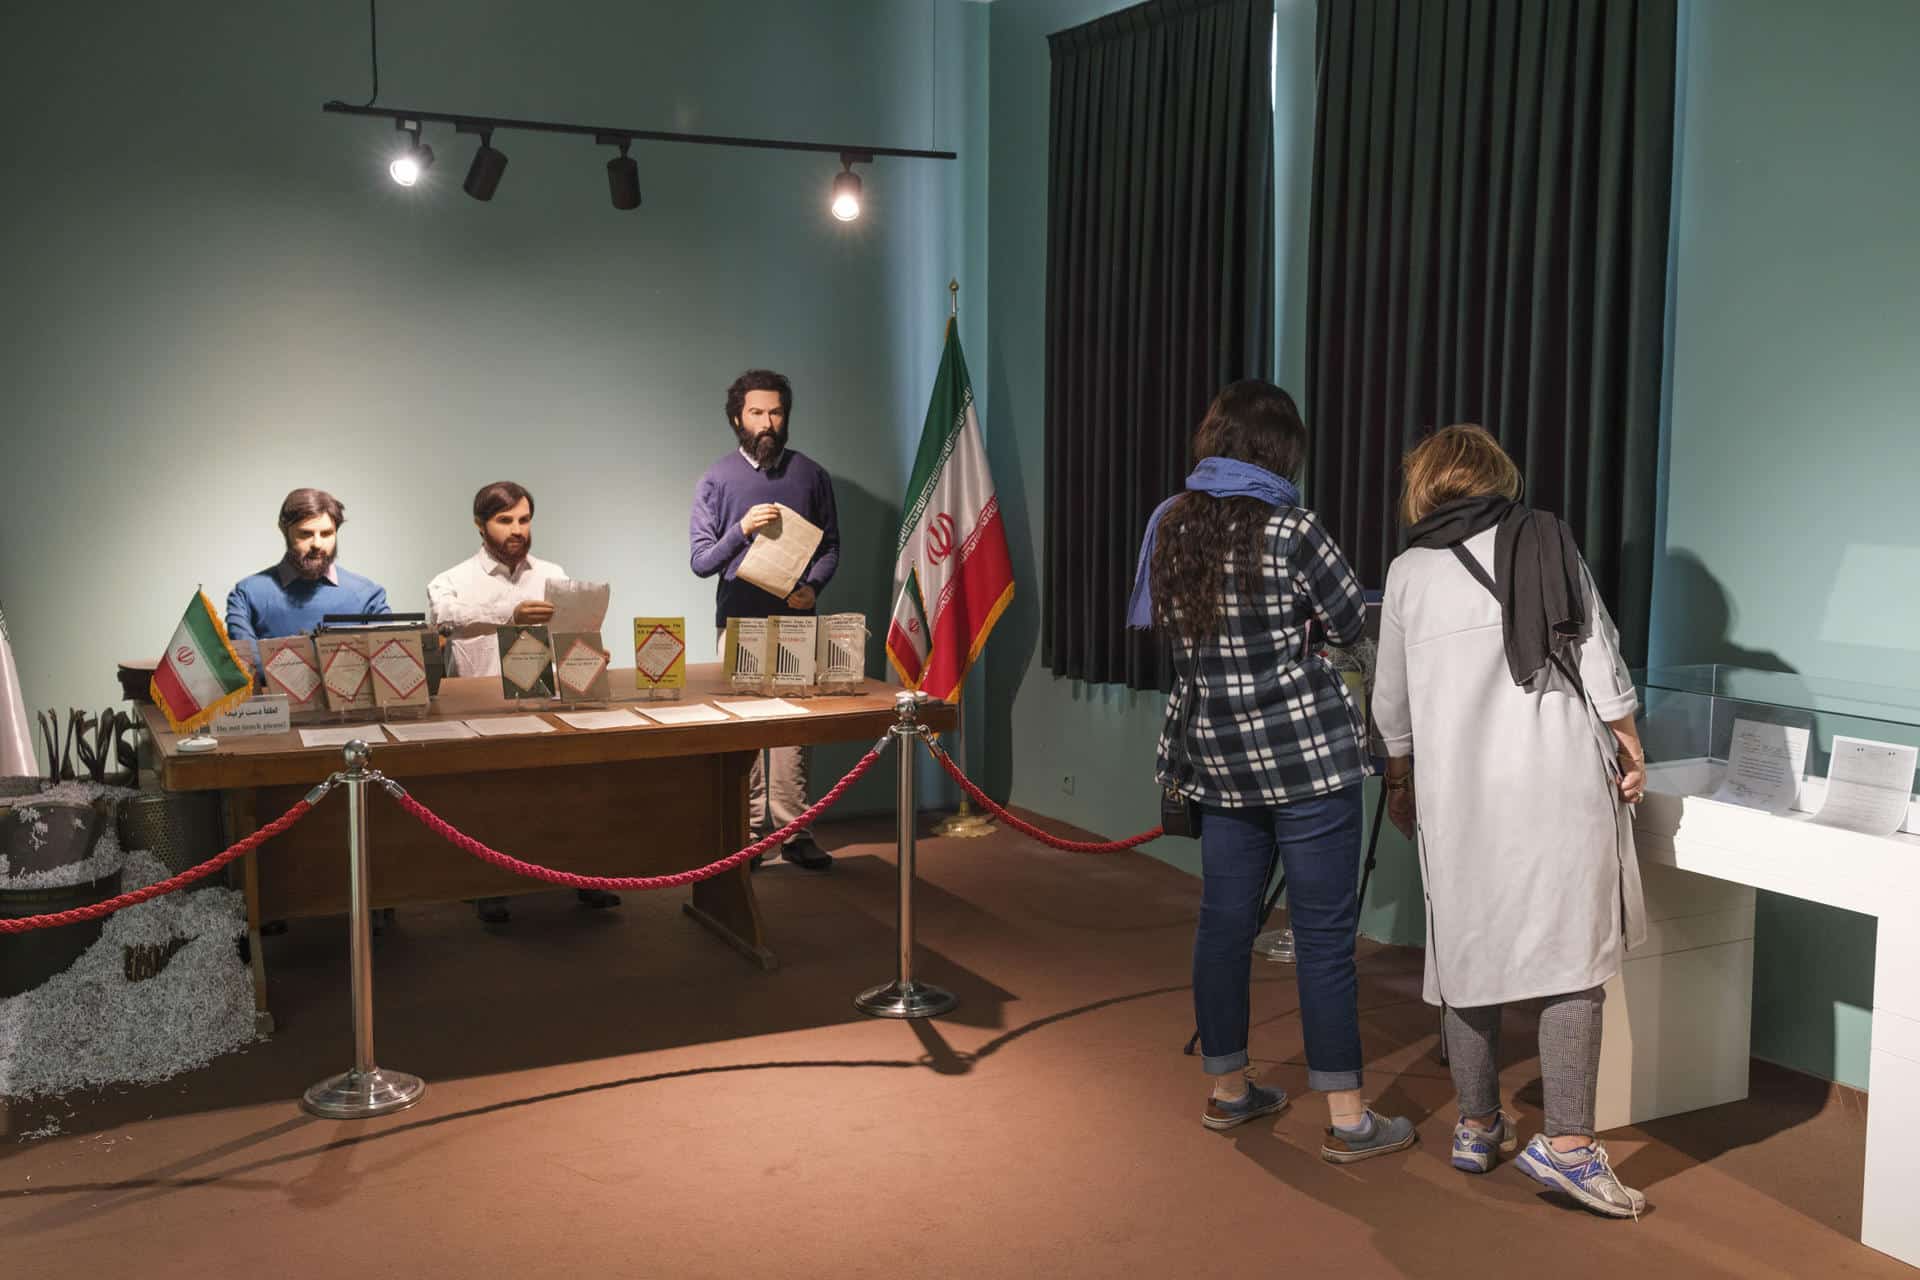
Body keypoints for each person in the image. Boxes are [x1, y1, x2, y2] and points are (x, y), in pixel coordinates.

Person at [1128, 379, 1416, 1162]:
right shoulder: (1294, 528)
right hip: (1306, 760)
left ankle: (1229, 1090)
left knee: (1224, 924)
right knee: (1323, 938)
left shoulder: (1171, 525)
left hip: (1217, 761)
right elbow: (1352, 622)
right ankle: (1350, 1119)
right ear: (1281, 450)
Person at [1371, 423, 1650, 1218]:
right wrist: (1630, 746)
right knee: (1572, 958)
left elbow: (1389, 702)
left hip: (1458, 799)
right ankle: (1567, 1147)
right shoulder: (1544, 539)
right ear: (1500, 477)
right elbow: (1599, 654)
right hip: (1555, 784)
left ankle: (1476, 1124)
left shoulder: (1408, 574)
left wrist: (1400, 781)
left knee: (1467, 950)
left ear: (1425, 485)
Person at [427, 480, 620, 922]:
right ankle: (490, 884)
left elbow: (567, 640)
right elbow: (444, 619)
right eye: (504, 520)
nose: (517, 529)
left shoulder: (553, 574)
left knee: (567, 796)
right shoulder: (451, 580)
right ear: (480, 525)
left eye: (524, 520)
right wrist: (507, 616)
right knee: (491, 802)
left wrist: (588, 653)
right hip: (479, 715)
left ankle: (580, 877)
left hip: (545, 706)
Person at [689, 369, 839, 871]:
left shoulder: (811, 475)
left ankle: (795, 833)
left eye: (776, 412)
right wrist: (742, 530)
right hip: (740, 622)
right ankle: (748, 833)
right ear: (737, 418)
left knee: (793, 734)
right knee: (746, 730)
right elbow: (701, 561)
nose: (768, 422)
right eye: (757, 412)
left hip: (795, 621)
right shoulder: (716, 478)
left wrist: (812, 587)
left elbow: (831, 546)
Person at [225, 488, 389, 669]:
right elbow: (247, 667)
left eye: (327, 534)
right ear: (284, 530)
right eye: (306, 534)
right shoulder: (246, 595)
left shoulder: (368, 595)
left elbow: (388, 663)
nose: (317, 544)